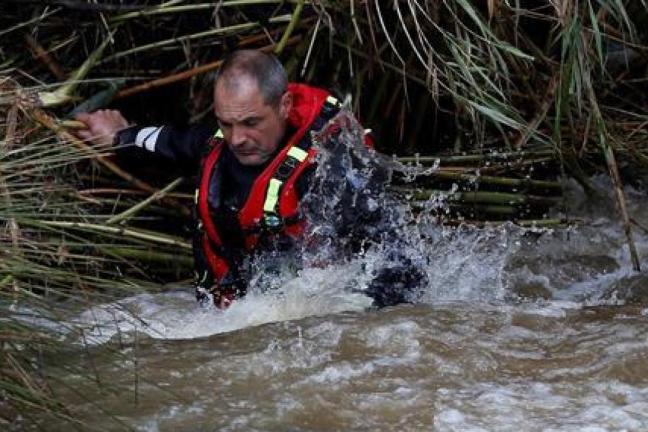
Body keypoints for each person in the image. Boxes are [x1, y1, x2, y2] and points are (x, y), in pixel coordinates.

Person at [76, 50, 425, 309]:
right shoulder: (219, 141)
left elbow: (402, 265)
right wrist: (120, 136)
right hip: (228, 317)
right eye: (226, 123)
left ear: (284, 105)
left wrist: (353, 320)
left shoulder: (331, 170)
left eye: (251, 123)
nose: (237, 139)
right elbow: (172, 142)